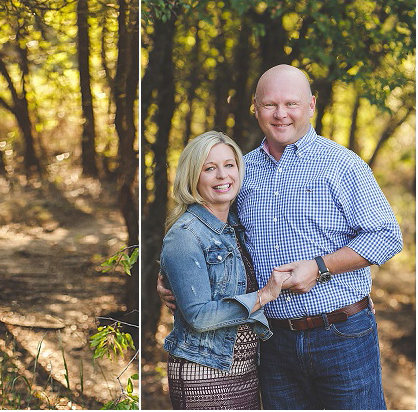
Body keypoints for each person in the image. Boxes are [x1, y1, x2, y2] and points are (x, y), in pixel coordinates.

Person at [159, 64, 403, 410]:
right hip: (272, 341)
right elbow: (214, 237)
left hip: (341, 333)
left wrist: (319, 266)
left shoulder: (342, 165)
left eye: (291, 103)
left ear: (311, 105)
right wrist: (173, 275)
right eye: (270, 104)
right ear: (255, 107)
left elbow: (387, 237)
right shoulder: (241, 172)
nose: (281, 114)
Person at [160, 131, 288, 409]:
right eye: (209, 168)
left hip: (246, 370)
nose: (222, 175)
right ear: (193, 177)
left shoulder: (237, 226)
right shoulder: (185, 234)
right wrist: (263, 296)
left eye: (229, 165)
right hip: (203, 373)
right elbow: (199, 316)